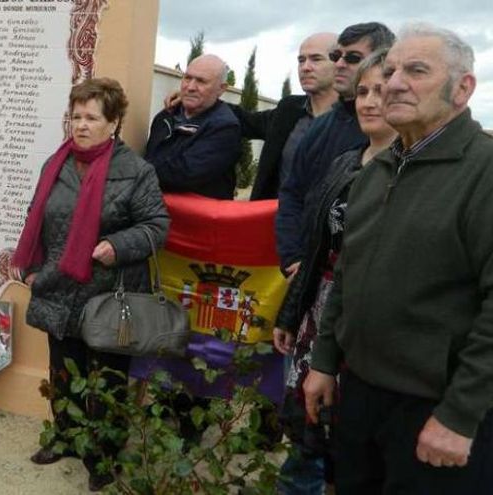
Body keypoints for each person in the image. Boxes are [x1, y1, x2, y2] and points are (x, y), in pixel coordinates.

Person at [304, 24, 493, 493]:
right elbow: (346, 276)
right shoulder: (374, 171)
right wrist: (325, 361)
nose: (394, 83)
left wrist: (459, 415)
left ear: (462, 88)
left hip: (438, 411)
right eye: (390, 71)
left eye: (417, 70)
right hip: (361, 399)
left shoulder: (484, 172)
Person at [15, 77, 169, 492]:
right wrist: (30, 266)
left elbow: (157, 226)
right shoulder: (56, 163)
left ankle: (103, 456)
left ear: (114, 122)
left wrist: (117, 245)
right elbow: (37, 215)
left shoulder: (136, 171)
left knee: (107, 379)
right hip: (60, 288)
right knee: (64, 370)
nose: (81, 125)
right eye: (76, 116)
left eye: (91, 117)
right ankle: (65, 437)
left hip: (108, 292)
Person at [272, 50, 396, 495]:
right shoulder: (344, 161)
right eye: (362, 91)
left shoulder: (411, 171)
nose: (368, 101)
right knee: (306, 432)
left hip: (366, 327)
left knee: (350, 442)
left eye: (380, 91)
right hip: (318, 313)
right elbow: (316, 245)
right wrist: (292, 314)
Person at [276, 22, 394, 277]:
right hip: (311, 276)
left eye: (352, 58)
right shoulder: (320, 127)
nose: (339, 64)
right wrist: (293, 257)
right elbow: (292, 194)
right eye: (335, 56)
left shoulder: (401, 132)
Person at [234, 32, 339, 200]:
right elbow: (244, 120)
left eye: (316, 59)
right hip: (279, 221)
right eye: (301, 60)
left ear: (339, 63)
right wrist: (196, 101)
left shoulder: (358, 118)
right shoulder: (288, 109)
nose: (305, 67)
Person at [145, 54, 241, 199]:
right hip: (156, 212)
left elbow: (182, 175)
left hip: (197, 219)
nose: (190, 87)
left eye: (201, 81)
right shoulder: (164, 117)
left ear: (221, 89)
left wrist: (134, 170)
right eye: (187, 78)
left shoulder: (225, 127)